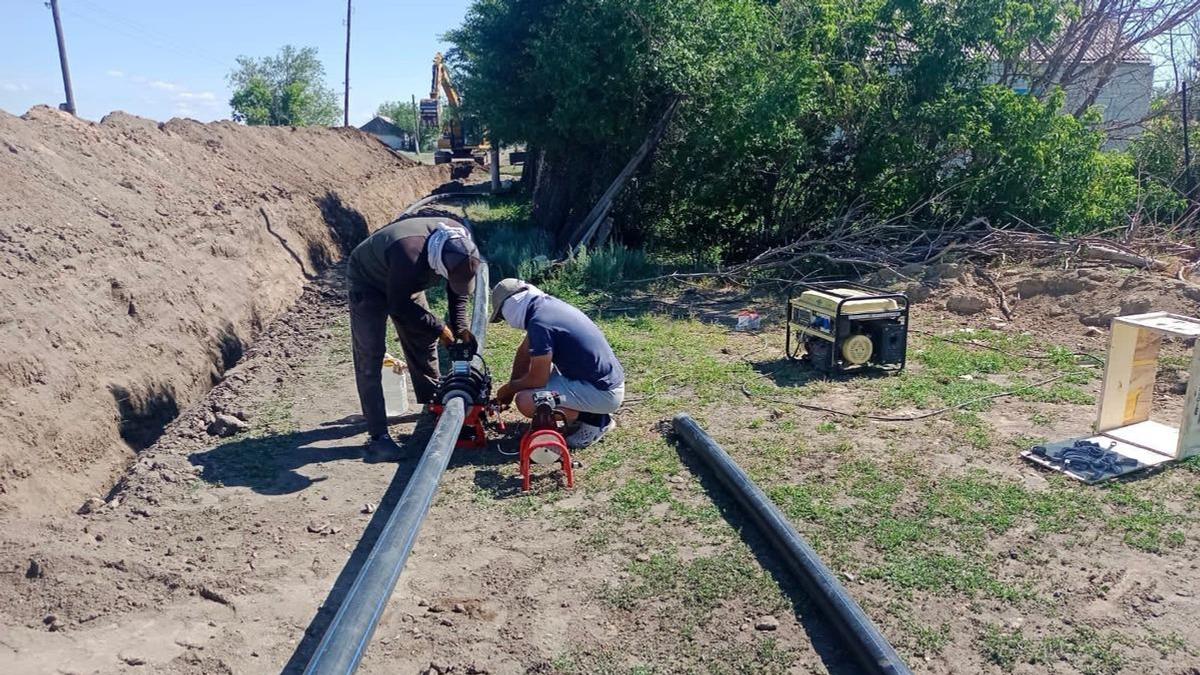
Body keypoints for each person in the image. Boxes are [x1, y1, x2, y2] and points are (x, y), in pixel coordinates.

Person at [346, 210, 481, 459]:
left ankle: (434, 403)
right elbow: (399, 306)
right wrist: (440, 329)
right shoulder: (409, 254)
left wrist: (459, 328)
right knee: (370, 355)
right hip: (369, 280)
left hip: (409, 280)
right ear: (439, 263)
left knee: (422, 339)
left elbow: (457, 291)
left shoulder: (461, 244)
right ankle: (379, 437)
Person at [489, 278, 625, 448]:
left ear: (509, 306)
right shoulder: (544, 308)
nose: (506, 322)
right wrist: (510, 390)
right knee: (529, 388)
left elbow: (538, 380)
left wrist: (509, 388)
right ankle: (587, 412)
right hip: (600, 382)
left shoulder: (540, 323)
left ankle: (597, 420)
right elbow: (524, 354)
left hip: (603, 393)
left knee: (526, 401)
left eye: (502, 316)